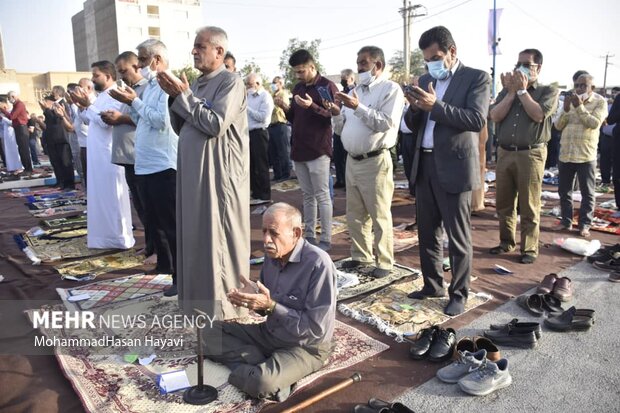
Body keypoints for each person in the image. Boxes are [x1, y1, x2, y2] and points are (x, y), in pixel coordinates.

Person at [158, 26, 249, 318]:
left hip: (219, 177)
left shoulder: (230, 82)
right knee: (195, 236)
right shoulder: (196, 85)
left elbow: (214, 124)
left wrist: (183, 97)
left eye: (200, 46)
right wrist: (175, 98)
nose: (194, 51)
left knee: (218, 240)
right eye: (194, 47)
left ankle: (226, 310)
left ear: (219, 51)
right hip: (194, 176)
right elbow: (182, 126)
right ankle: (197, 303)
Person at [204, 202, 336, 402]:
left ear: (296, 233)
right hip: (270, 333)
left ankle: (264, 372)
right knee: (205, 333)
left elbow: (315, 330)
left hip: (305, 347)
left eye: (273, 233)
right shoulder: (272, 256)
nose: (266, 240)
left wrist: (271, 306)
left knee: (262, 383)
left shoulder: (319, 264)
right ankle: (259, 362)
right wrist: (253, 299)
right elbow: (268, 308)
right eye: (264, 231)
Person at [404, 26, 490, 316]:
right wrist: (415, 107)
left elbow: (476, 119)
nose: (432, 64)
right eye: (428, 59)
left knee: (457, 236)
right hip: (424, 164)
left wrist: (435, 105)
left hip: (454, 167)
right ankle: (432, 284)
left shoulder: (476, 77)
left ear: (452, 52)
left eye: (437, 57)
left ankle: (459, 292)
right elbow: (413, 122)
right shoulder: (427, 78)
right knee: (427, 232)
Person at [332, 46, 404, 278]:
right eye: (358, 63)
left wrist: (358, 107)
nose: (359, 67)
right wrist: (335, 112)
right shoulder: (356, 91)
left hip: (375, 161)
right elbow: (343, 126)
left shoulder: (390, 90)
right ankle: (361, 255)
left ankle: (384, 261)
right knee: (354, 214)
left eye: (364, 63)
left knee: (379, 214)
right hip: (352, 160)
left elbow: (386, 123)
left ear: (378, 65)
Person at [488, 48, 558, 264]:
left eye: (527, 65)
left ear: (539, 67)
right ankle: (506, 242)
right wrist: (511, 92)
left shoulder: (548, 90)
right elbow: (494, 115)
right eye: (519, 63)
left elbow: (538, 114)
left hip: (531, 153)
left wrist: (522, 92)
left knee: (529, 204)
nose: (521, 68)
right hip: (505, 152)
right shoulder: (508, 90)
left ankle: (529, 248)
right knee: (504, 203)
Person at [275, 49, 339, 251]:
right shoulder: (298, 88)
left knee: (322, 195)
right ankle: (309, 235)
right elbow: (294, 118)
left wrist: (312, 106)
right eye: (296, 72)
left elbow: (332, 115)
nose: (298, 76)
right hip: (299, 148)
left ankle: (326, 238)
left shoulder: (327, 86)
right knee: (307, 195)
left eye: (301, 71)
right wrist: (285, 107)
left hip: (318, 147)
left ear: (312, 67)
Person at [71, 61, 135, 249]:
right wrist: (83, 106)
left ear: (108, 76)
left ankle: (119, 239)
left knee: (113, 197)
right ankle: (104, 238)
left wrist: (88, 106)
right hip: (97, 155)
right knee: (99, 196)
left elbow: (107, 121)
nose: (93, 79)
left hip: (109, 155)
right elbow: (90, 119)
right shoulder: (101, 96)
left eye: (96, 75)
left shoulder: (117, 95)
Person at [104, 51, 155, 266]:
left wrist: (120, 118)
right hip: (128, 157)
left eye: (124, 71)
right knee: (142, 207)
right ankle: (151, 245)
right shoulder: (129, 90)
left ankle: (160, 250)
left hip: (140, 156)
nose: (122, 76)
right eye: (119, 72)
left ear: (137, 66)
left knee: (151, 207)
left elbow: (148, 118)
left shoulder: (147, 89)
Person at [553, 74, 607, 238]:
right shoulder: (569, 101)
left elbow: (594, 123)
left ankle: (584, 225)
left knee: (587, 193)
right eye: (577, 85)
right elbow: (558, 125)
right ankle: (566, 222)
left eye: (583, 85)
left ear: (592, 88)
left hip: (586, 154)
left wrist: (579, 107)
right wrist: (567, 110)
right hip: (566, 154)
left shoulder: (599, 102)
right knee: (564, 191)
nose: (579, 88)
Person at [245, 72, 274, 202]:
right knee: (250, 164)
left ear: (257, 84)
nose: (247, 87)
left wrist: (247, 109)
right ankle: (255, 192)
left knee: (261, 164)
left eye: (249, 84)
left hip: (259, 132)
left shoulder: (265, 97)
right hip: (247, 133)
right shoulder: (248, 96)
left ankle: (264, 194)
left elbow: (263, 117)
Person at [39, 87, 75, 190]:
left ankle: (69, 184)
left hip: (62, 137)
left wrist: (46, 110)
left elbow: (56, 120)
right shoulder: (53, 106)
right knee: (56, 162)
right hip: (53, 138)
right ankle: (61, 181)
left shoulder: (63, 103)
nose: (52, 92)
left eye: (53, 91)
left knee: (65, 162)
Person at [333, 69, 356, 188]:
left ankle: (348, 182)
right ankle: (340, 178)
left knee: (347, 157)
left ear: (351, 79)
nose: (342, 81)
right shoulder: (342, 92)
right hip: (338, 127)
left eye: (344, 79)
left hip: (350, 127)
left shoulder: (356, 92)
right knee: (338, 156)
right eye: (341, 79)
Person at [1, 91, 33, 176]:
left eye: (9, 98)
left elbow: (12, 117)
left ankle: (28, 169)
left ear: (13, 96)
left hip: (22, 128)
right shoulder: (15, 105)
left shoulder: (19, 104)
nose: (8, 100)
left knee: (24, 150)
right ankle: (26, 168)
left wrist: (2, 110)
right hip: (18, 128)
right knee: (21, 150)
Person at [268, 76, 292, 182]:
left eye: (275, 83)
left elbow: (281, 108)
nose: (273, 85)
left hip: (280, 124)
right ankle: (277, 174)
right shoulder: (272, 95)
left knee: (283, 151)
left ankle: (285, 174)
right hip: (271, 125)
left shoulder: (283, 94)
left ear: (280, 84)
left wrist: (270, 106)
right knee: (273, 152)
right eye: (272, 83)